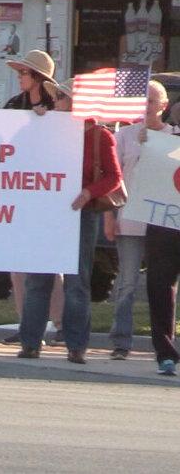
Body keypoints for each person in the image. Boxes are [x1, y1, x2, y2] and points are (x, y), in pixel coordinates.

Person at [19, 78, 121, 364]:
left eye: (64, 97)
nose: (59, 102)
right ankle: (30, 343)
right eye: (58, 97)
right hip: (46, 214)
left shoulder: (100, 135)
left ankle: (76, 345)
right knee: (38, 279)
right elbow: (19, 152)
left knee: (77, 282)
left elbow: (114, 177)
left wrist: (89, 192)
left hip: (80, 214)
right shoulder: (46, 128)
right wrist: (35, 122)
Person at [104, 81, 178, 369]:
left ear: (163, 106)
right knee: (128, 282)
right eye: (141, 101)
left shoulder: (174, 136)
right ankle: (121, 340)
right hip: (131, 217)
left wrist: (156, 146)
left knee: (165, 285)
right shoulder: (125, 136)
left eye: (151, 101)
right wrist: (110, 216)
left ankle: (166, 345)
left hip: (166, 222)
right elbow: (115, 177)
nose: (145, 106)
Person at [1, 50, 64, 346]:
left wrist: (47, 121)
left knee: (52, 262)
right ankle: (27, 324)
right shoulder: (13, 106)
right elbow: (1, 139)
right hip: (18, 192)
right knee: (17, 263)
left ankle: (60, 324)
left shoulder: (59, 107)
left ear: (38, 77)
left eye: (24, 73)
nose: (19, 77)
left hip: (50, 196)